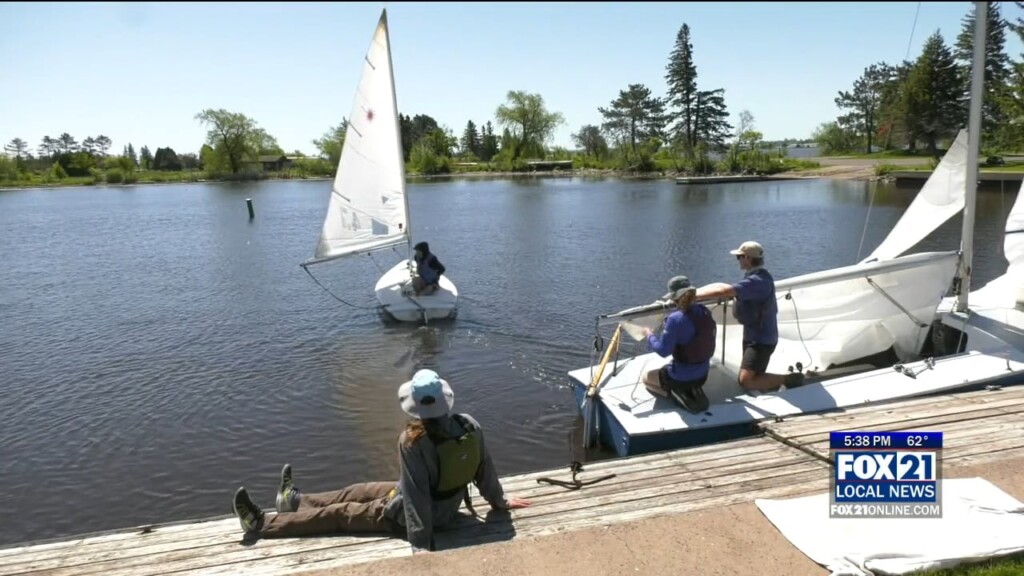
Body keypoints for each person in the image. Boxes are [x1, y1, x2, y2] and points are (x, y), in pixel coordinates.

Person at [231, 369, 531, 553]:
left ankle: (263, 523)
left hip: (423, 517)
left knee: (341, 513)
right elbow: (484, 471)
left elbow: (415, 499)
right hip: (441, 504)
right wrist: (499, 501)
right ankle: (294, 501)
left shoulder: (413, 442)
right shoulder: (469, 425)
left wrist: (421, 543)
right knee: (358, 490)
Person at [693, 241, 810, 392]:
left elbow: (723, 292)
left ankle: (789, 379)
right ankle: (767, 386)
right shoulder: (758, 277)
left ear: (747, 258)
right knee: (754, 374)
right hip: (755, 336)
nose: (738, 260)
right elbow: (728, 290)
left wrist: (693, 297)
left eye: (739, 257)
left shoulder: (757, 282)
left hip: (761, 340)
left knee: (746, 380)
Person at [641, 275, 717, 413]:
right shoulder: (705, 311)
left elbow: (663, 351)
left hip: (680, 377)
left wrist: (649, 335)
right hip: (703, 375)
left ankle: (676, 395)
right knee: (685, 369)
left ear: (674, 297)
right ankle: (693, 389)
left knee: (647, 379)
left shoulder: (675, 319)